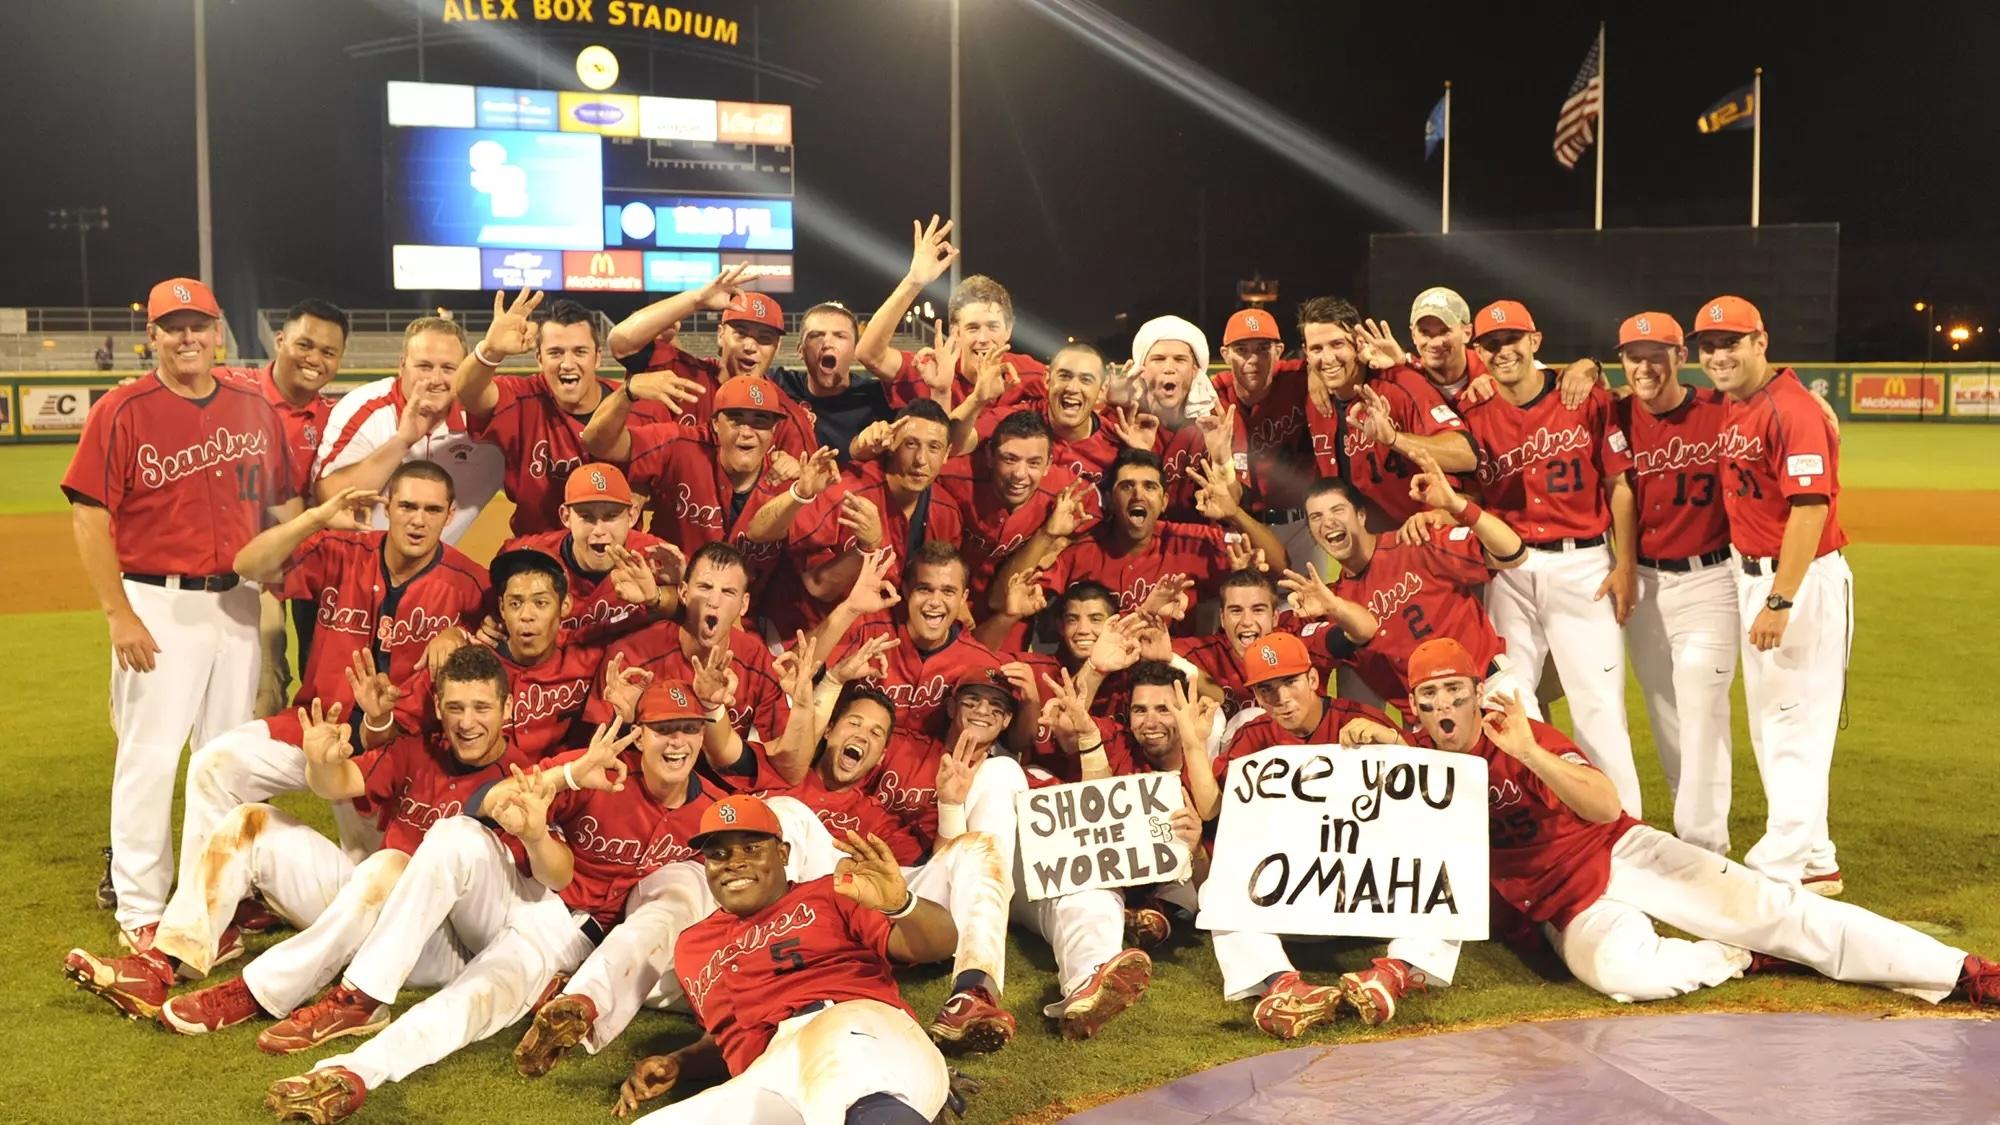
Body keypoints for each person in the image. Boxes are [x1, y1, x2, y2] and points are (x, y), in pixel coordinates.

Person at [1379, 636, 2000, 1010]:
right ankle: (1738, 957)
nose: (1443, 707)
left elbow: (1602, 803)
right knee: (1624, 976)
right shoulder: (1409, 763)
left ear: (1475, 690)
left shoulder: (1514, 732)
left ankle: (1961, 972)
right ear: (1413, 705)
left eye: (1455, 691)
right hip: (1563, 907)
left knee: (1775, 907)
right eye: (1429, 697)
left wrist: (1530, 751)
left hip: (1619, 849)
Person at [257, 666, 640, 1121]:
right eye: (659, 730)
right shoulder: (589, 766)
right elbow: (517, 827)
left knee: (467, 1004)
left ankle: (353, 1073)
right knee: (454, 832)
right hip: (516, 903)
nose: (673, 743)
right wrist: (567, 779)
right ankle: (362, 997)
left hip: (560, 942)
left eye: (686, 731)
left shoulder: (708, 816)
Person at [163, 461, 488, 958]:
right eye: (406, 507)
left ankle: (302, 915)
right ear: (387, 506)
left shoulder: (469, 584)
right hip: (312, 729)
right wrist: (314, 518)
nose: (417, 520)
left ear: (449, 515)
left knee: (372, 893)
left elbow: (504, 644)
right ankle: (204, 930)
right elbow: (248, 565)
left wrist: (461, 634)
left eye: (430, 509)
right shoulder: (340, 550)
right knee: (214, 764)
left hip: (388, 761)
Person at [62, 276, 296, 940]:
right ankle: (140, 906)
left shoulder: (253, 406)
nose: (188, 336)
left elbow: (278, 503)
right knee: (151, 754)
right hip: (157, 601)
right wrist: (118, 613)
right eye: (174, 326)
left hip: (240, 601)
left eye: (199, 324)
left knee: (224, 760)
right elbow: (88, 517)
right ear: (152, 337)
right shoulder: (122, 409)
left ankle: (207, 898)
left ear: (217, 332)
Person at [610, 795, 963, 1123]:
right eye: (718, 855)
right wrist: (680, 1063)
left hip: (858, 1030)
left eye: (751, 848)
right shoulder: (692, 947)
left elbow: (939, 943)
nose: (734, 863)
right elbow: (728, 1038)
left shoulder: (830, 893)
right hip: (775, 1070)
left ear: (782, 852)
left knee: (835, 1076)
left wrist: (902, 905)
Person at [1199, 632, 1453, 1035]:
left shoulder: (1362, 720)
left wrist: (1394, 743)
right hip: (1293, 893)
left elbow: (1427, 799)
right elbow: (1218, 811)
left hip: (1368, 894)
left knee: (1447, 873)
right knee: (1216, 888)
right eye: (1267, 689)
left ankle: (1393, 974)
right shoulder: (1253, 738)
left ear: (1314, 680)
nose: (1281, 697)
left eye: (1290, 682)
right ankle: (1282, 986)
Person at [1694, 295, 1852, 894]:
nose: (1719, 355)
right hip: (1759, 574)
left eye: (1731, 341)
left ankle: (1775, 872)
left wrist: (1781, 600)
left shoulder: (1790, 409)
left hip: (1799, 578)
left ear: (1762, 341)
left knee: (1792, 725)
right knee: (1774, 724)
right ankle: (1816, 859)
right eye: (1708, 345)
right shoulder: (1741, 403)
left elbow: (1811, 509)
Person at [1465, 299, 1643, 815]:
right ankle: (1540, 818)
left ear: (1535, 341)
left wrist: (1624, 565)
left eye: (1512, 340)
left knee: (1599, 705)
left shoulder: (1584, 396)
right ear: (1479, 352)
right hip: (1510, 572)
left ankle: (1625, 826)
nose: (1503, 351)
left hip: (1583, 566)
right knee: (1511, 700)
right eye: (1491, 344)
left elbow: (1620, 485)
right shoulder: (1474, 414)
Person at [1613, 312, 1737, 856]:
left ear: (1680, 357)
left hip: (1713, 578)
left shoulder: (1720, 408)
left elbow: (1777, 400)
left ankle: (1705, 842)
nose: (1645, 366)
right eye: (1633, 356)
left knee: (1700, 700)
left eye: (1656, 354)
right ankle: (1690, 833)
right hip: (1643, 582)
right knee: (1663, 708)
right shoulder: (1614, 413)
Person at [1285, 464, 1523, 717]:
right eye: (1316, 517)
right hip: (1429, 718)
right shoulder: (1333, 603)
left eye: (1337, 510)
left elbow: (1511, 554)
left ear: (1362, 515)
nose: (1328, 521)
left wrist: (1457, 506)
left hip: (1490, 689)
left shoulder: (1413, 542)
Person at [454, 290, 675, 536]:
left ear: (598, 358)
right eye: (555, 353)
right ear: (539, 359)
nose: (567, 363)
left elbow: (667, 490)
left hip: (615, 558)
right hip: (540, 556)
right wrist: (490, 351)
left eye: (579, 352)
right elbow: (469, 393)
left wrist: (644, 492)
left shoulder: (643, 409)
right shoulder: (524, 397)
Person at [248, 299, 351, 719]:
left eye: (329, 352)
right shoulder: (232, 396)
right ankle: (242, 784)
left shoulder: (336, 416)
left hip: (315, 570)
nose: (315, 360)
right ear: (280, 340)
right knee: (263, 686)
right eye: (304, 345)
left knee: (326, 685)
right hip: (249, 571)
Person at [315, 316, 503, 545]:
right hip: (355, 565)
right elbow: (329, 500)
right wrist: (401, 441)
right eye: (424, 366)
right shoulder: (363, 406)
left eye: (448, 368)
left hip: (434, 570)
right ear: (402, 365)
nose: (435, 379)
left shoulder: (486, 420)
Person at [856, 215, 1046, 403]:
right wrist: (913, 282)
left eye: (992, 326)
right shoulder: (930, 371)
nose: (983, 339)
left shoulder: (1031, 375)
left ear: (1008, 330)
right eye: (972, 327)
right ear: (955, 332)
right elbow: (870, 355)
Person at [496, 463, 681, 642]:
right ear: (566, 517)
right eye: (586, 517)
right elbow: (493, 608)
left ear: (632, 516)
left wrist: (657, 598)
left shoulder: (656, 556)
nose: (599, 530)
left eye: (611, 516)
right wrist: (490, 624)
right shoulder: (527, 557)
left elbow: (691, 609)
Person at [775, 301, 928, 458]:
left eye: (840, 336)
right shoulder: (779, 386)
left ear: (855, 349)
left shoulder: (878, 400)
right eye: (816, 335)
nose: (827, 343)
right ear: (801, 350)